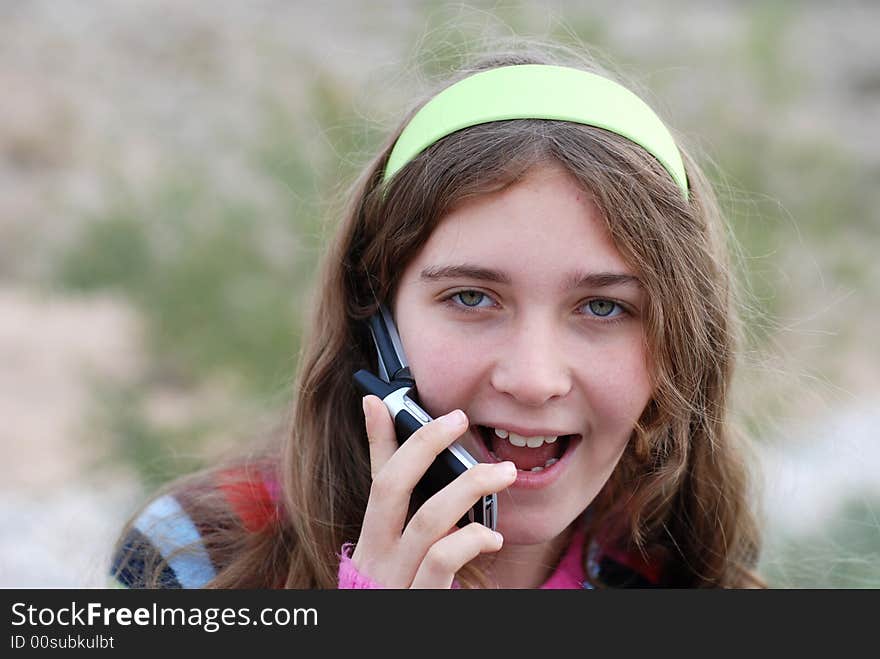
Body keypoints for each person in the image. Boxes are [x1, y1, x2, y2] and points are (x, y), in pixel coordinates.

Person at [110, 44, 765, 589]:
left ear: (678, 344)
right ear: (376, 318)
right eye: (472, 297)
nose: (534, 380)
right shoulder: (196, 552)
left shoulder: (679, 568)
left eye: (603, 306)